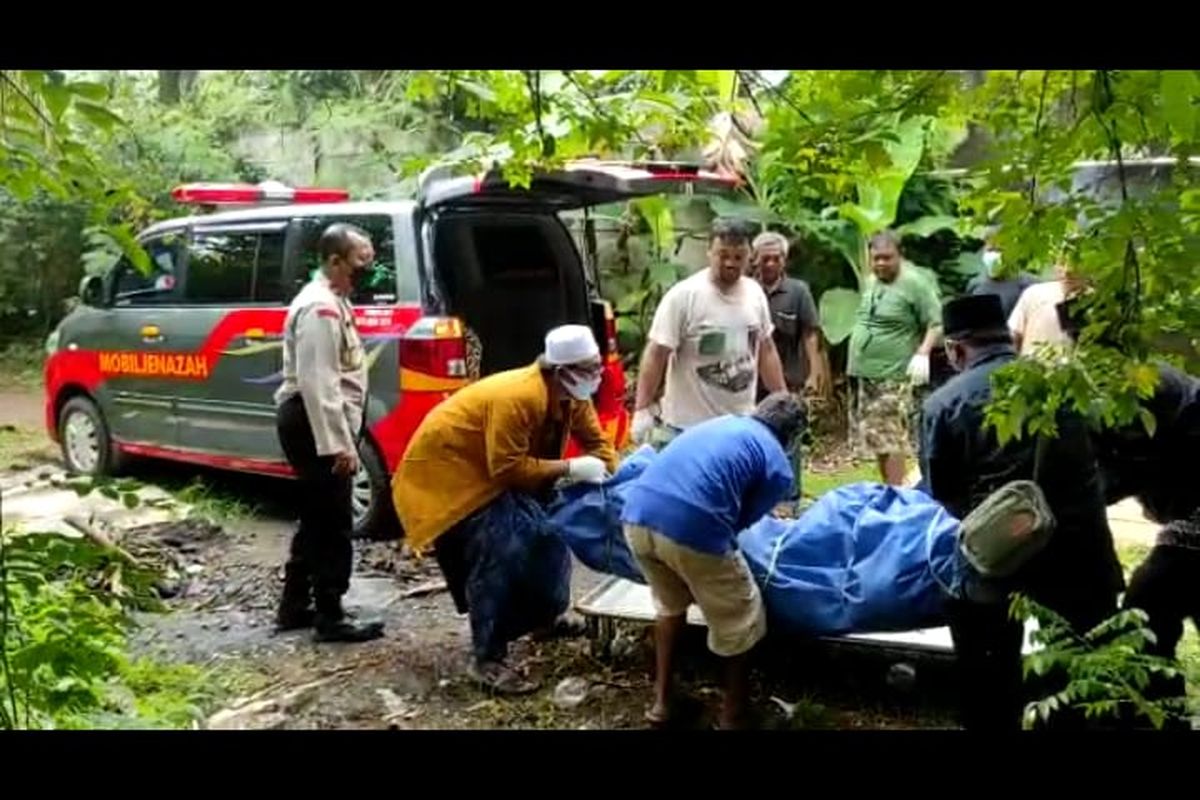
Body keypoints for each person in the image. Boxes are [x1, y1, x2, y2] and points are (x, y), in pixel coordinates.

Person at [920, 294, 1124, 730]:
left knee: (986, 675)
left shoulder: (944, 404)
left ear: (956, 350)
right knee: (1082, 678)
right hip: (1079, 555)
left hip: (999, 557)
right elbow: (1103, 461)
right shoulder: (1064, 387)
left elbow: (943, 492)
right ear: (1006, 338)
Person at [391, 324, 620, 693]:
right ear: (561, 371)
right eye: (590, 368)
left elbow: (597, 442)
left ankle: (545, 618)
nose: (597, 375)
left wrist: (610, 473)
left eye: (598, 366)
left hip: (494, 473)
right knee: (503, 545)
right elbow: (508, 469)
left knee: (552, 530)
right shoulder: (520, 396)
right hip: (448, 477)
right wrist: (570, 468)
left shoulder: (572, 397)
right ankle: (487, 657)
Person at [622, 392, 805, 729]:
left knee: (669, 606)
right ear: (792, 437)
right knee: (742, 616)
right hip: (691, 526)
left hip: (636, 515)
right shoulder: (778, 463)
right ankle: (734, 714)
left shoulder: (724, 422)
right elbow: (740, 523)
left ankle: (662, 704)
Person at [274, 223, 385, 643]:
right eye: (361, 261)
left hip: (315, 419)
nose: (368, 269)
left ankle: (295, 605)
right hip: (311, 420)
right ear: (335, 261)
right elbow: (319, 383)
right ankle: (331, 614)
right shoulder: (319, 308)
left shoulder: (334, 300)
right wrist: (338, 445)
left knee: (317, 517)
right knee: (335, 522)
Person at [631, 217, 787, 449]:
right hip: (688, 428)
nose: (731, 263)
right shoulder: (684, 296)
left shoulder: (755, 294)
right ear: (709, 252)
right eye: (723, 255)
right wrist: (642, 409)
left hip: (740, 422)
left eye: (738, 257)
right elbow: (657, 352)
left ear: (749, 257)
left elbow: (766, 349)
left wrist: (782, 398)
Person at [846, 230, 942, 486]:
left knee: (891, 436)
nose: (880, 264)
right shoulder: (871, 281)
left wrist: (923, 352)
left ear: (900, 256)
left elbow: (936, 322)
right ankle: (889, 487)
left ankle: (897, 491)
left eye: (887, 258)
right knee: (877, 436)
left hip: (894, 372)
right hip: (866, 372)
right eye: (876, 258)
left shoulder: (915, 283)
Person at [750, 231, 822, 507]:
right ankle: (758, 497)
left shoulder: (798, 291)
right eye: (764, 259)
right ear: (754, 260)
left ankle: (789, 499)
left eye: (776, 259)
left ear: (784, 260)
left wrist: (815, 371)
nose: (770, 264)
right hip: (750, 384)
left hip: (789, 379)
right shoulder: (746, 290)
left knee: (789, 440)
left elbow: (810, 333)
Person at [964, 230, 1037, 321]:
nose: (994, 255)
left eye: (999, 250)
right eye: (990, 250)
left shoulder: (1029, 285)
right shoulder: (975, 284)